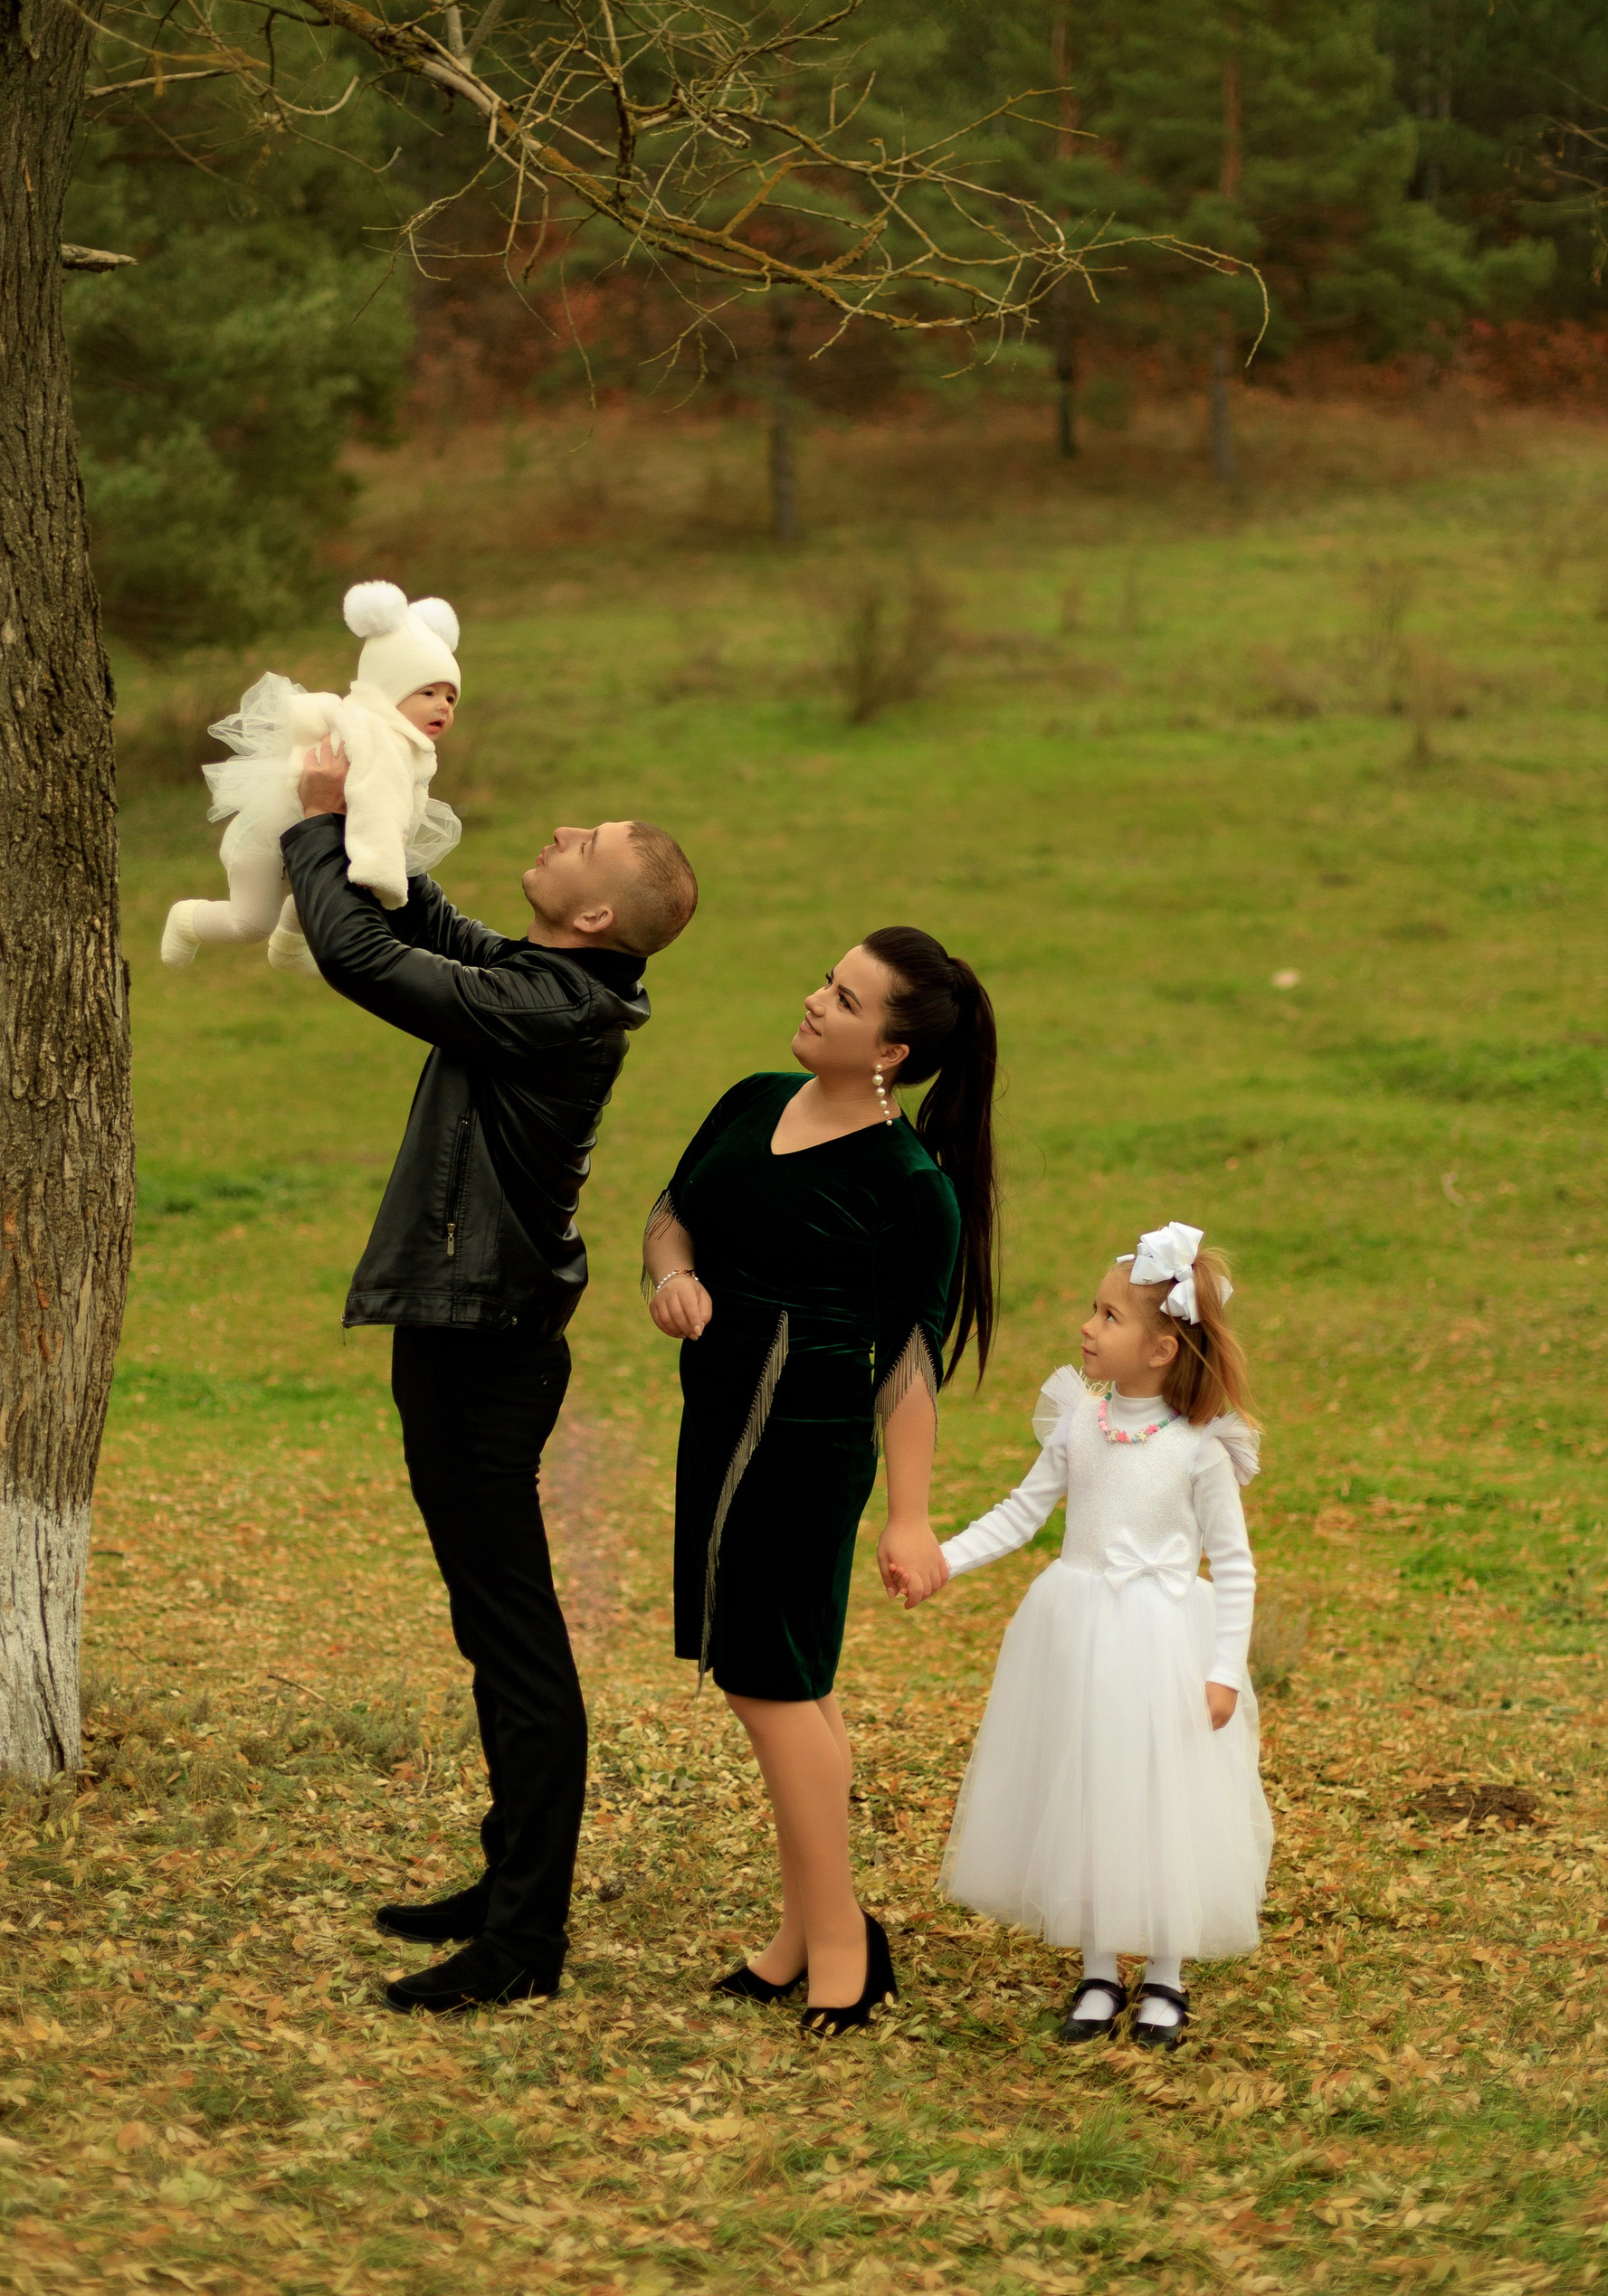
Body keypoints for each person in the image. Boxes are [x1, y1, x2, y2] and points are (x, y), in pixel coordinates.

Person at [283, 771, 699, 2012]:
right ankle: (509, 1880)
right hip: (466, 1336)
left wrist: (310, 828)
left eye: (588, 841)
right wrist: (369, 820)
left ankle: (523, 1942)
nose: (564, 830)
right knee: (490, 1624)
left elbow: (363, 958)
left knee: (515, 1641)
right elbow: (428, 925)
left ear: (596, 915)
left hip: (483, 1350)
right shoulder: (553, 985)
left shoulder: (554, 1012)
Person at [644, 926, 998, 2034]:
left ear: (890, 1051)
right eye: (827, 981)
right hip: (717, 1424)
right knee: (797, 1682)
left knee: (769, 1684)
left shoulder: (910, 1186)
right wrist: (673, 1278)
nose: (814, 1000)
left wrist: (909, 1516)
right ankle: (804, 1935)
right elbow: (672, 1213)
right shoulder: (753, 1098)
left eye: (844, 1000)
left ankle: (845, 1941)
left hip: (804, 1448)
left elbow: (911, 1364)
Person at [933, 1224, 1272, 2051]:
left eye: (1109, 1316)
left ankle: (1165, 1973)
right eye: (1093, 1310)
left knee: (1159, 1796)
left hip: (1163, 1644)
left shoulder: (1198, 1449)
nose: (1087, 1326)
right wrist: (943, 1559)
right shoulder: (1079, 1423)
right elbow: (1021, 1513)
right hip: (1077, 1634)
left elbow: (1234, 1566)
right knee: (1085, 1785)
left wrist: (1224, 1669)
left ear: (1160, 1349)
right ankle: (1097, 1969)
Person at [161, 581, 463, 978]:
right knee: (251, 922)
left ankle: (289, 946)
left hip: (308, 841)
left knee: (326, 884)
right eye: (428, 693)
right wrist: (381, 872)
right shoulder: (377, 738)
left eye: (451, 698)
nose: (443, 706)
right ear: (391, 690)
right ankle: (187, 919)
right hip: (263, 842)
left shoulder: (402, 744)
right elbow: (379, 806)